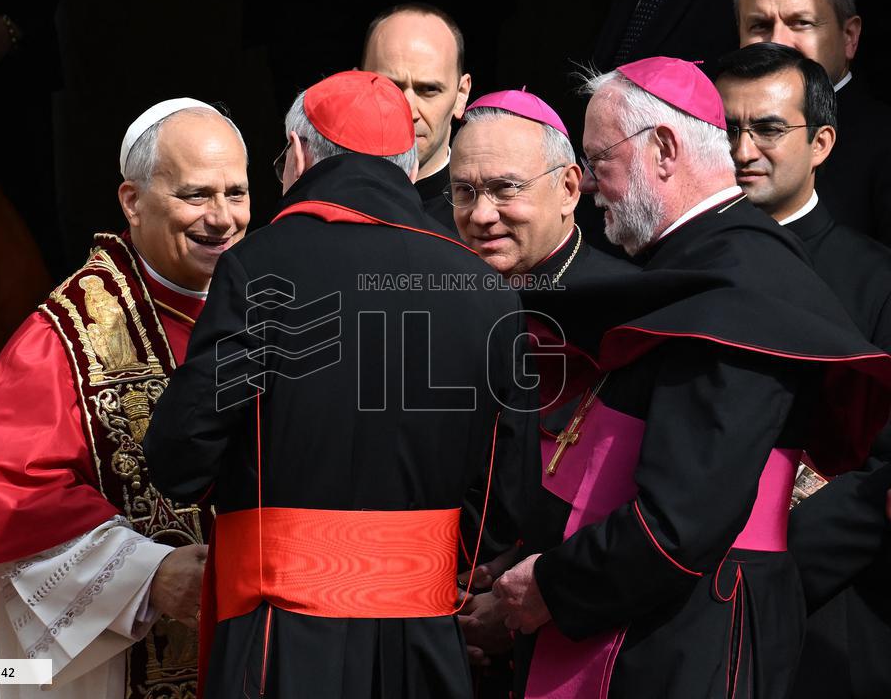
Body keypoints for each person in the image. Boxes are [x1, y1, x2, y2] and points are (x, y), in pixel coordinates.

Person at [494, 56, 891, 699]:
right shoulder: (703, 260)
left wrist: (552, 587)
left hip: (699, 624)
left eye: (601, 161)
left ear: (665, 147)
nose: (592, 186)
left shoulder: (744, 288)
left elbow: (679, 522)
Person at [142, 70, 536, 699]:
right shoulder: (484, 288)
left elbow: (180, 454)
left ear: (298, 155)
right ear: (409, 170)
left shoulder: (258, 264)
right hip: (424, 638)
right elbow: (503, 492)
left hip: (280, 636)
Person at [0, 98, 251, 699]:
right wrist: (149, 576)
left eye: (237, 193)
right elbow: (15, 497)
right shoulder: (63, 340)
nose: (222, 218)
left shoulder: (267, 306)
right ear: (132, 202)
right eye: (196, 195)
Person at [448, 88, 638, 693]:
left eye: (506, 189)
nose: (481, 214)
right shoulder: (436, 301)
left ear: (568, 187)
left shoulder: (631, 309)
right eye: (464, 191)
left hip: (582, 631)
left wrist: (528, 593)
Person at [717, 41, 891, 699]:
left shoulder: (876, 280)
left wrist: (778, 565)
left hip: (826, 607)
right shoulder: (676, 271)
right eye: (727, 129)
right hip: (682, 591)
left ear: (821, 142)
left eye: (765, 128)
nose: (741, 150)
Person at [734, 0, 891, 245]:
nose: (777, 42)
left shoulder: (882, 140)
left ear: (849, 37)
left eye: (801, 23)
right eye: (760, 25)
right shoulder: (709, 134)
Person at [361, 3, 472, 236]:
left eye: (429, 89)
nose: (408, 111)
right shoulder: (324, 202)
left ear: (461, 95)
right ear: (356, 88)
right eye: (388, 87)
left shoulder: (482, 222)